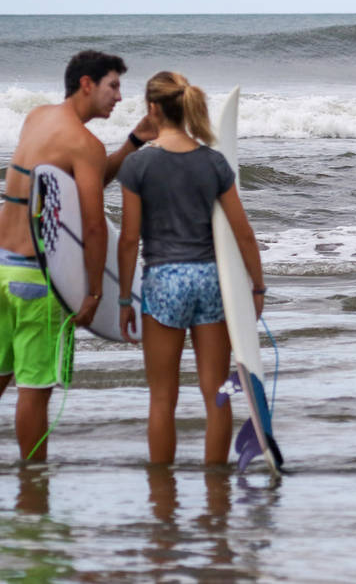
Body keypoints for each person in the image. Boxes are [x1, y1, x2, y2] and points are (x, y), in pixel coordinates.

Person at [0, 50, 157, 462]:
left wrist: (134, 142)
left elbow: (75, 182)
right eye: (113, 86)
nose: (119, 97)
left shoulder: (38, 118)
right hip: (36, 278)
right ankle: (33, 492)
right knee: (35, 389)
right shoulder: (85, 143)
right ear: (87, 83)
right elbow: (93, 223)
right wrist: (95, 293)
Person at [117, 71, 265, 466]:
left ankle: (162, 495)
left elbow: (130, 238)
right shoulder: (213, 162)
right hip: (210, 281)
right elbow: (243, 232)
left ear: (151, 109)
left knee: (162, 398)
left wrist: (123, 299)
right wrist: (257, 287)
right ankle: (217, 493)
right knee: (215, 393)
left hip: (164, 280)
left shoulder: (138, 166)